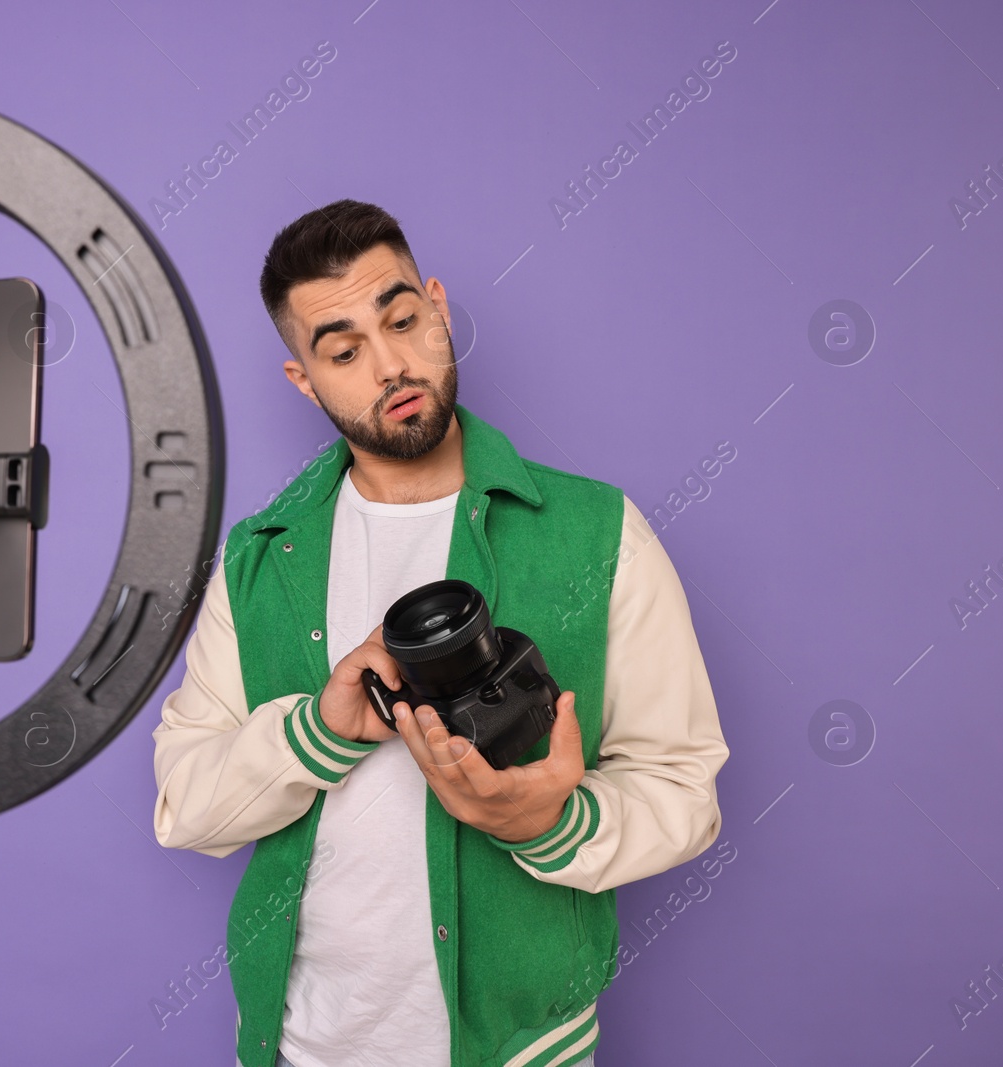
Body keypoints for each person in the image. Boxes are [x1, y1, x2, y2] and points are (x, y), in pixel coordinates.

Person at [151, 199, 729, 1067]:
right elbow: (185, 809)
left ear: (439, 306)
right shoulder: (260, 558)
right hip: (297, 1045)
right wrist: (317, 732)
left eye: (403, 320)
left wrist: (548, 821)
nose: (389, 365)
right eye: (343, 351)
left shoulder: (597, 530)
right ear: (303, 379)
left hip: (522, 1049)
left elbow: (685, 787)